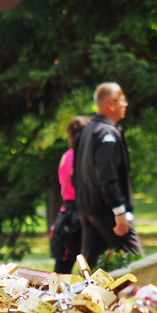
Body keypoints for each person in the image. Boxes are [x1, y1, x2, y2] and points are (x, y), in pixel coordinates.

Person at [73, 82, 144, 268]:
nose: (126, 104)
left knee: (90, 270)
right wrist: (119, 211)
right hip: (107, 211)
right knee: (138, 265)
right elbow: (107, 174)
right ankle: (148, 297)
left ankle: (81, 297)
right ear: (111, 104)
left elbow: (77, 172)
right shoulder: (107, 133)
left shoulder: (85, 131)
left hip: (87, 210)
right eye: (122, 100)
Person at [50, 115, 90, 273]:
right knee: (88, 268)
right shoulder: (86, 157)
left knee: (62, 269)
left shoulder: (66, 156)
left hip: (65, 216)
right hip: (82, 214)